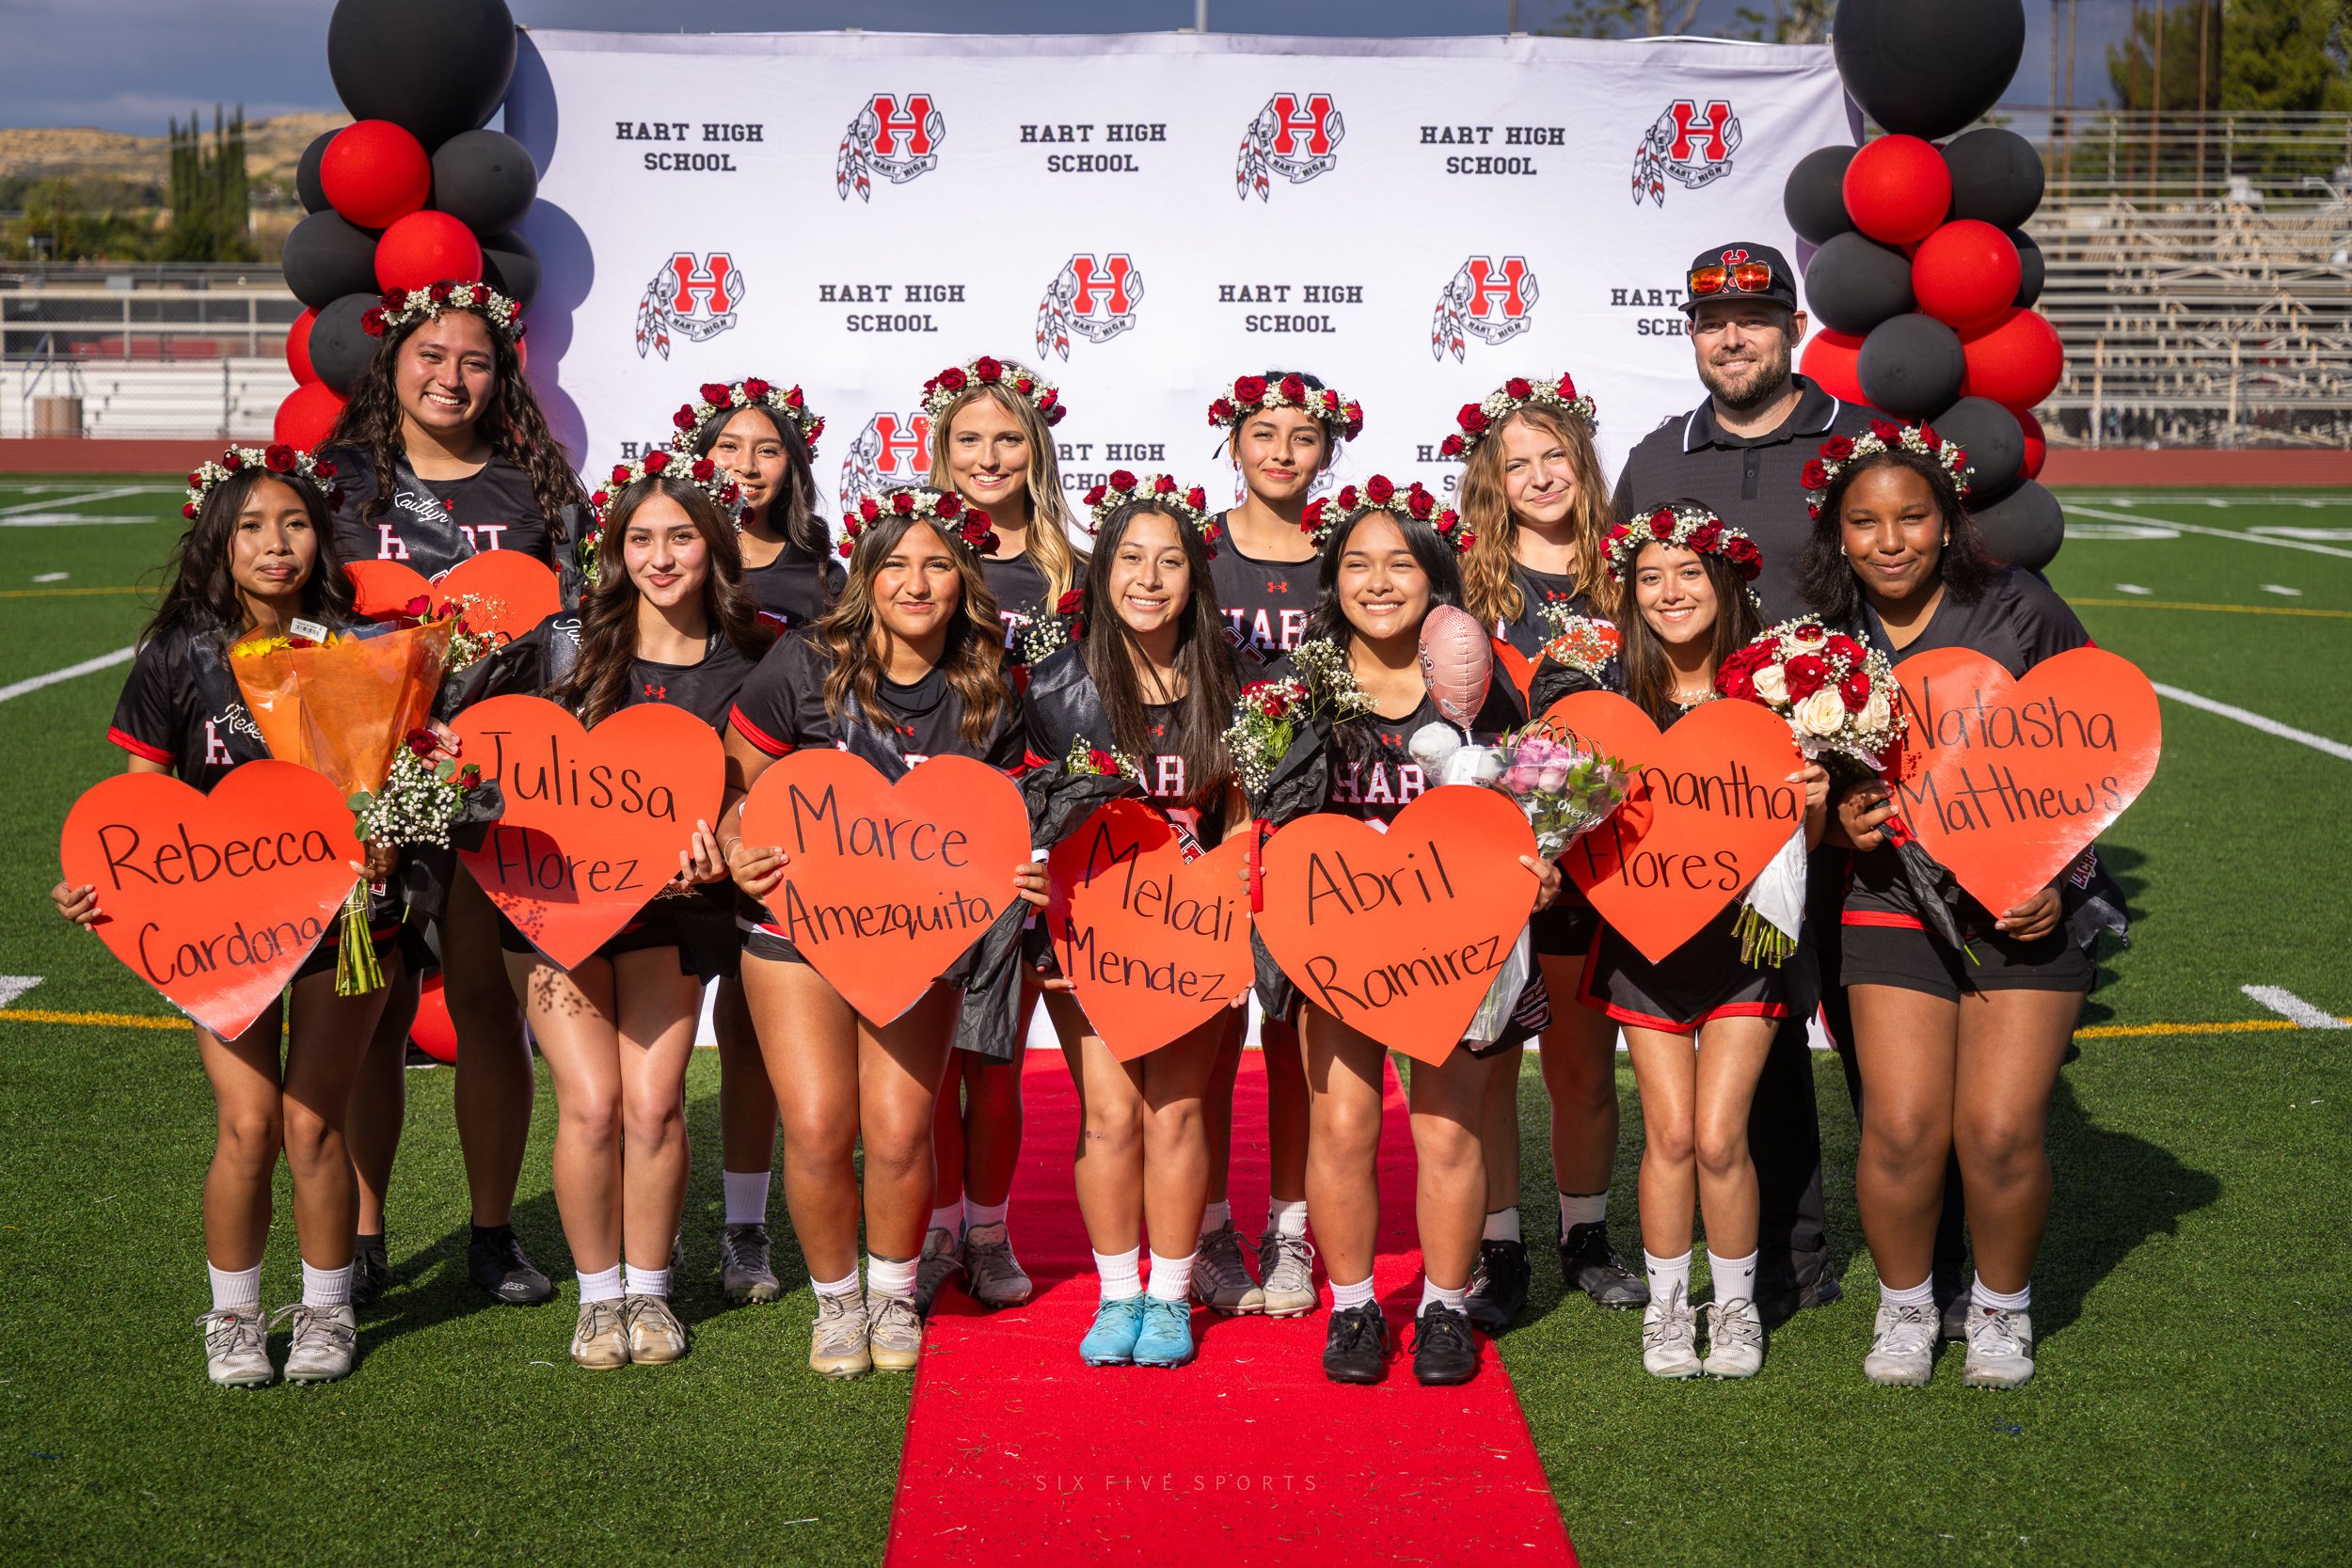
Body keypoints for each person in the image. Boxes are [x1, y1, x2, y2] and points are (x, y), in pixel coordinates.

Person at [53, 446, 401, 1386]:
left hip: (341, 920)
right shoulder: (178, 652)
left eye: (294, 524)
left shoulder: (360, 646)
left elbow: (394, 784)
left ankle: (326, 1309)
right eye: (250, 526)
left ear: (320, 537)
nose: (275, 544)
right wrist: (100, 886)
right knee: (248, 1124)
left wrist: (390, 833)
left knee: (312, 1121)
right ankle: (235, 1315)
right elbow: (140, 806)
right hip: (222, 930)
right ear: (217, 539)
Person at [1608, 242, 1892, 1323]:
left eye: (1755, 318)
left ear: (1792, 328)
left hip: (1844, 788)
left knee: (1877, 1034)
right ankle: (1786, 1251)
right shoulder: (1655, 456)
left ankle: (1935, 1257)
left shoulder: (1854, 442)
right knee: (1754, 1024)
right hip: (1714, 804)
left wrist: (1859, 755)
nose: (1732, 338)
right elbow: (1630, 615)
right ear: (1691, 334)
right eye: (1711, 321)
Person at [1798, 423, 2100, 1389]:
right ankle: (1906, 1303)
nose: (1890, 541)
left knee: (2000, 1131)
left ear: (1947, 521)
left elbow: (2100, 746)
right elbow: (1791, 792)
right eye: (1865, 521)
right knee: (1899, 1129)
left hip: (2019, 901)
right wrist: (1839, 825)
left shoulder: (2020, 606)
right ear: (1837, 531)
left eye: (1912, 517)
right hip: (1889, 895)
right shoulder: (1816, 640)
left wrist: (2056, 874)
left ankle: (2001, 1308)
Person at [722, 485, 1048, 1377]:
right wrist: (735, 846)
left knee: (902, 1131)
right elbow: (735, 785)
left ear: (965, 579)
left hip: (920, 933)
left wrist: (1022, 872)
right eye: (896, 563)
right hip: (794, 925)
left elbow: (1000, 823)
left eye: (938, 564)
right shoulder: (803, 663)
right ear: (865, 575)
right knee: (818, 1127)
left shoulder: (989, 687)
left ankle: (894, 1292)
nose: (916, 582)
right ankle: (837, 1304)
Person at [449, 451, 765, 1369]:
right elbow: (471, 744)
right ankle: (598, 1301)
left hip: (674, 910)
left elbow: (750, 792)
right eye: (641, 539)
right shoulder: (563, 641)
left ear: (714, 546)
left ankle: (651, 1291)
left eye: (681, 537)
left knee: (655, 1106)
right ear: (615, 549)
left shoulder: (750, 661)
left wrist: (724, 843)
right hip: (553, 902)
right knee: (591, 1105)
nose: (660, 558)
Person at [322, 277, 589, 1310]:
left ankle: (491, 1232)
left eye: (475, 360)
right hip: (368, 778)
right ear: (391, 360)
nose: (451, 376)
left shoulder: (535, 489)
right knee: (373, 1007)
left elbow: (574, 636)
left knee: (484, 1001)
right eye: (431, 354)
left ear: (501, 373)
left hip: (496, 782)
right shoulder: (338, 482)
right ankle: (360, 1235)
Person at [1535, 502, 1829, 1380]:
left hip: (1746, 946)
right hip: (1646, 943)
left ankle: (1733, 1304)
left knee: (1719, 1134)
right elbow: (1567, 827)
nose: (1669, 592)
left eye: (1688, 572)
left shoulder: (1772, 694)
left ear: (1724, 579)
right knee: (1667, 1135)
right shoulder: (1611, 701)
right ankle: (1668, 1307)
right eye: (1649, 577)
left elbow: (1799, 848)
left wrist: (1812, 801)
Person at [1281, 479, 1562, 1388]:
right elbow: (1272, 818)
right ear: (1333, 580)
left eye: (1400, 563)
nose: (1378, 582)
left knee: (1447, 1128)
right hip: (1342, 942)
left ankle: (1444, 1305)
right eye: (1357, 564)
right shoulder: (1300, 689)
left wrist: (1542, 864)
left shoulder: (1486, 686)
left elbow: (1527, 816)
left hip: (1453, 949)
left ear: (1436, 575)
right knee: (1344, 1125)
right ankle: (1354, 1306)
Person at [1023, 473, 1249, 1368]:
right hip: (1088, 924)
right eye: (1129, 557)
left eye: (1169, 561)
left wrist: (1232, 896)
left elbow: (1245, 816)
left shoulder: (1232, 680)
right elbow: (1025, 804)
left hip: (1194, 929)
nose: (1148, 579)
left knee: (1179, 1111)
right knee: (1111, 1116)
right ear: (1102, 568)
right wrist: (1030, 876)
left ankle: (1170, 1296)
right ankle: (1119, 1292)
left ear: (1195, 575)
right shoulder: (1055, 680)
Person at [1445, 372, 1647, 1327]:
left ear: (1583, 461)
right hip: (1487, 868)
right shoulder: (1461, 581)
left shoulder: (1629, 574)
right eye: (1515, 462)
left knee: (1580, 1065)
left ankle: (1585, 1235)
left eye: (1553, 454)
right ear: (1491, 479)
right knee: (1487, 1066)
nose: (1537, 475)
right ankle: (1498, 1246)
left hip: (1596, 863)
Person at [1187, 371, 1364, 1320]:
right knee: (1211, 1036)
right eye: (1264, 431)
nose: (1283, 451)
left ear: (1329, 448)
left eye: (1304, 435)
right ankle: (1210, 1227)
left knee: (1298, 1036)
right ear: (1232, 439)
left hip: (1318, 829)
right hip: (1214, 825)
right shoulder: (1196, 549)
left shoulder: (1348, 552)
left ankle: (1290, 1227)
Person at [913, 356, 1081, 1312]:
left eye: (1008, 437)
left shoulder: (1071, 570)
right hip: (922, 836)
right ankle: (936, 1230)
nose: (988, 456)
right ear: (941, 446)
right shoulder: (919, 550)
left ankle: (987, 1230)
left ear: (1036, 448)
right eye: (968, 438)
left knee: (996, 1055)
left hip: (1026, 837)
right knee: (931, 1059)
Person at [672, 376, 845, 1307]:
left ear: (794, 463)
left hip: (761, 825)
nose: (745, 465)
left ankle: (745, 1226)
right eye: (729, 446)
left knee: (745, 1035)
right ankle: (646, 1230)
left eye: (767, 448)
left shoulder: (823, 577)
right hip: (665, 815)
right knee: (654, 1043)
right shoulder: (668, 545)